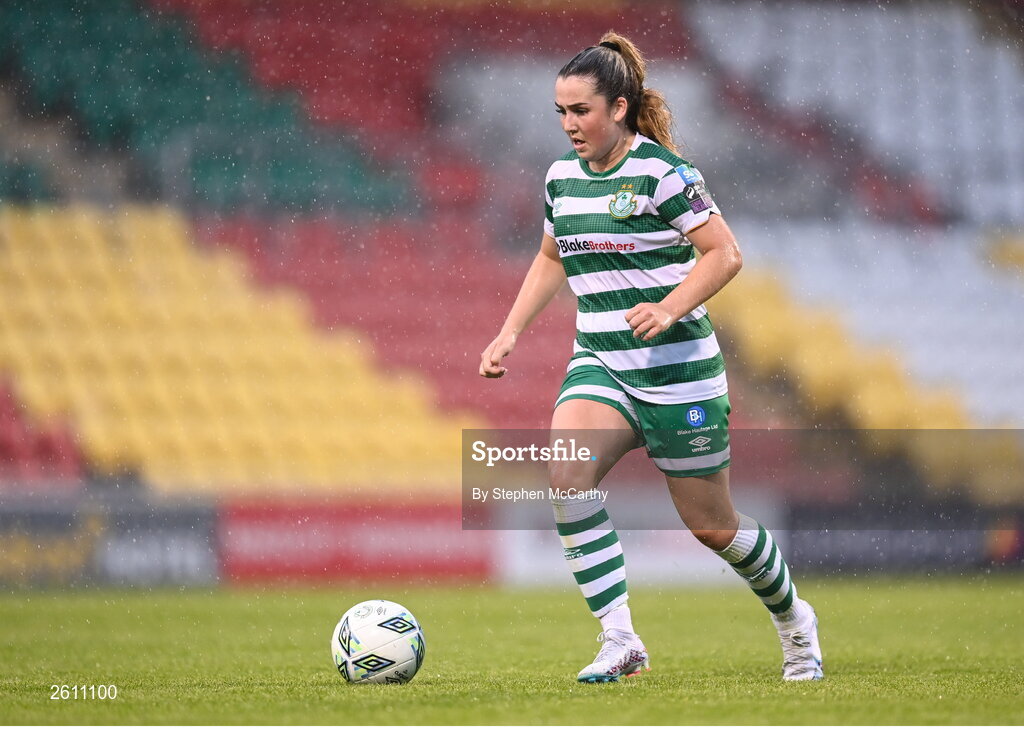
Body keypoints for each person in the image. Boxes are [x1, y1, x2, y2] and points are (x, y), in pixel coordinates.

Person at [478, 32, 823, 683]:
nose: (569, 124)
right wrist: (510, 330)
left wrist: (668, 307)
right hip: (602, 364)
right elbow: (552, 256)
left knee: (713, 526)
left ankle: (794, 619)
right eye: (561, 111)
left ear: (618, 107)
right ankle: (620, 638)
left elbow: (725, 253)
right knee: (566, 473)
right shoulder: (559, 178)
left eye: (580, 110)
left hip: (679, 377)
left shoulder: (665, 173)